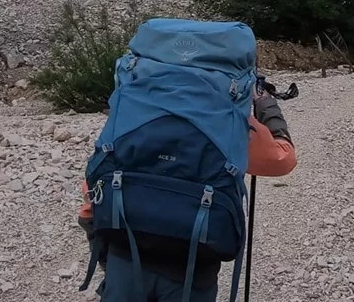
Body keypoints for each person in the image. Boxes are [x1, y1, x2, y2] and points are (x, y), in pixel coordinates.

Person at [78, 77, 297, 301]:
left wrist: (107, 257)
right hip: (191, 270)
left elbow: (92, 195)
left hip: (124, 259)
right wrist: (265, 103)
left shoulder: (136, 105)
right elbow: (283, 158)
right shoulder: (230, 119)